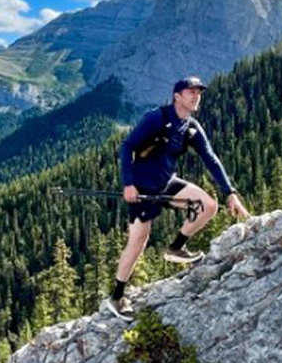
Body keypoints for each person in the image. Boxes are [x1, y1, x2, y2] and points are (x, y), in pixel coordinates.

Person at [101, 76, 250, 321]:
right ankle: (117, 296)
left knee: (208, 206)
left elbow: (211, 159)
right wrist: (128, 184)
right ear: (177, 96)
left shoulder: (191, 127)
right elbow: (127, 147)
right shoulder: (156, 118)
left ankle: (176, 247)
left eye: (198, 93)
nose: (196, 96)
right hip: (141, 187)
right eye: (190, 92)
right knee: (138, 241)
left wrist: (230, 193)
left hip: (167, 183)